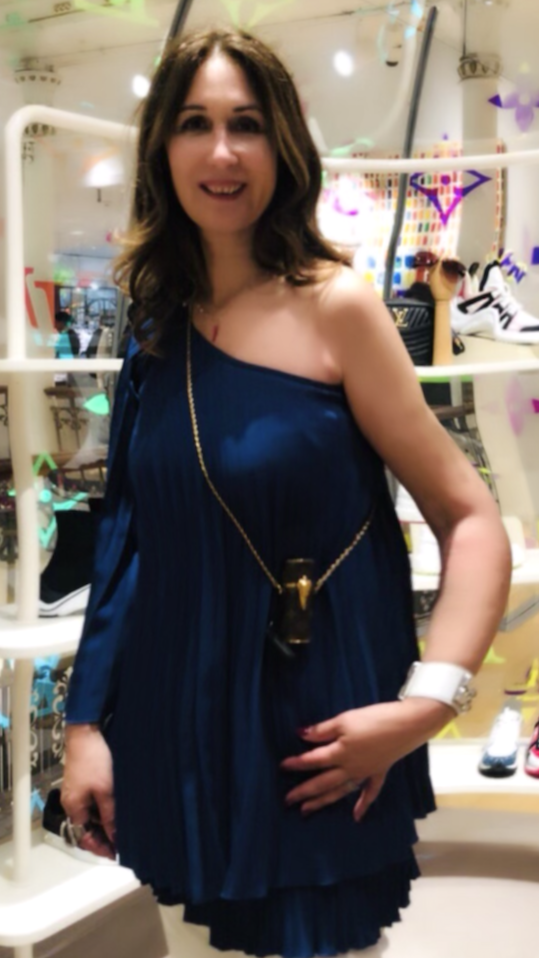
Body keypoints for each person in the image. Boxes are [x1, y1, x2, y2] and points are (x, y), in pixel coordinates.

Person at [61, 28, 511, 958]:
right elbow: (128, 539)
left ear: (285, 147)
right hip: (179, 724)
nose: (222, 152)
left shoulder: (335, 307)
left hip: (316, 726)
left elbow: (467, 516)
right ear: (161, 149)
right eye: (194, 124)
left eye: (248, 124)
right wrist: (83, 725)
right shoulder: (156, 327)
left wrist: (429, 702)